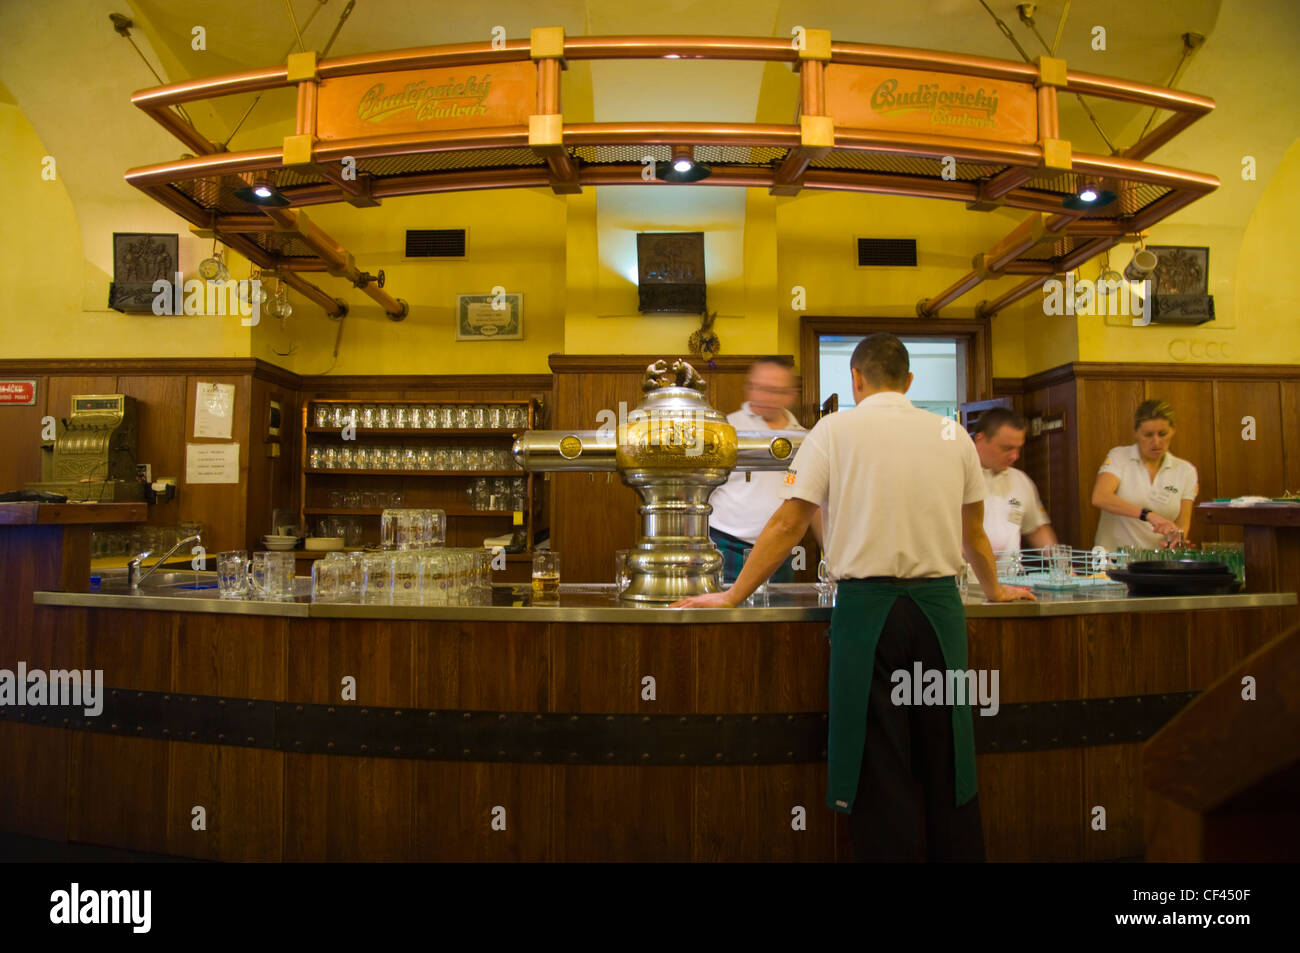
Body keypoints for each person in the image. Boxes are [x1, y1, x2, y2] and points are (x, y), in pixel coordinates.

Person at [674, 332, 1035, 862]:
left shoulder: (832, 430)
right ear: (909, 382)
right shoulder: (952, 433)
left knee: (878, 756)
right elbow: (974, 533)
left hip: (869, 617)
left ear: (856, 379)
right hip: (940, 614)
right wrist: (997, 589)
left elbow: (787, 523)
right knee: (947, 752)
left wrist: (732, 596)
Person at [708, 357, 819, 584]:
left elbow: (815, 504)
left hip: (779, 550)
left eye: (775, 390)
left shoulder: (805, 439)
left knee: (777, 618)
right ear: (749, 387)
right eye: (760, 388)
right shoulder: (724, 430)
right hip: (726, 547)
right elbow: (700, 492)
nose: (765, 397)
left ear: (791, 394)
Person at [1091, 399, 1198, 550]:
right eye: (1148, 435)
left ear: (1173, 430)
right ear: (1136, 433)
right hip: (1115, 562)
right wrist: (1148, 515)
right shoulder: (1119, 456)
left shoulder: (1185, 470)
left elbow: (1183, 524)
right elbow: (1100, 497)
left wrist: (1176, 540)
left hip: (1158, 564)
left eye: (1162, 434)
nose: (1156, 441)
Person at [971, 407, 1057, 558]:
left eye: (1018, 449)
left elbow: (1036, 528)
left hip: (1010, 576)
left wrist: (1060, 564)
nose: (1015, 456)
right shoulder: (956, 476)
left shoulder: (1021, 480)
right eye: (1007, 448)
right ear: (980, 439)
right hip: (966, 577)